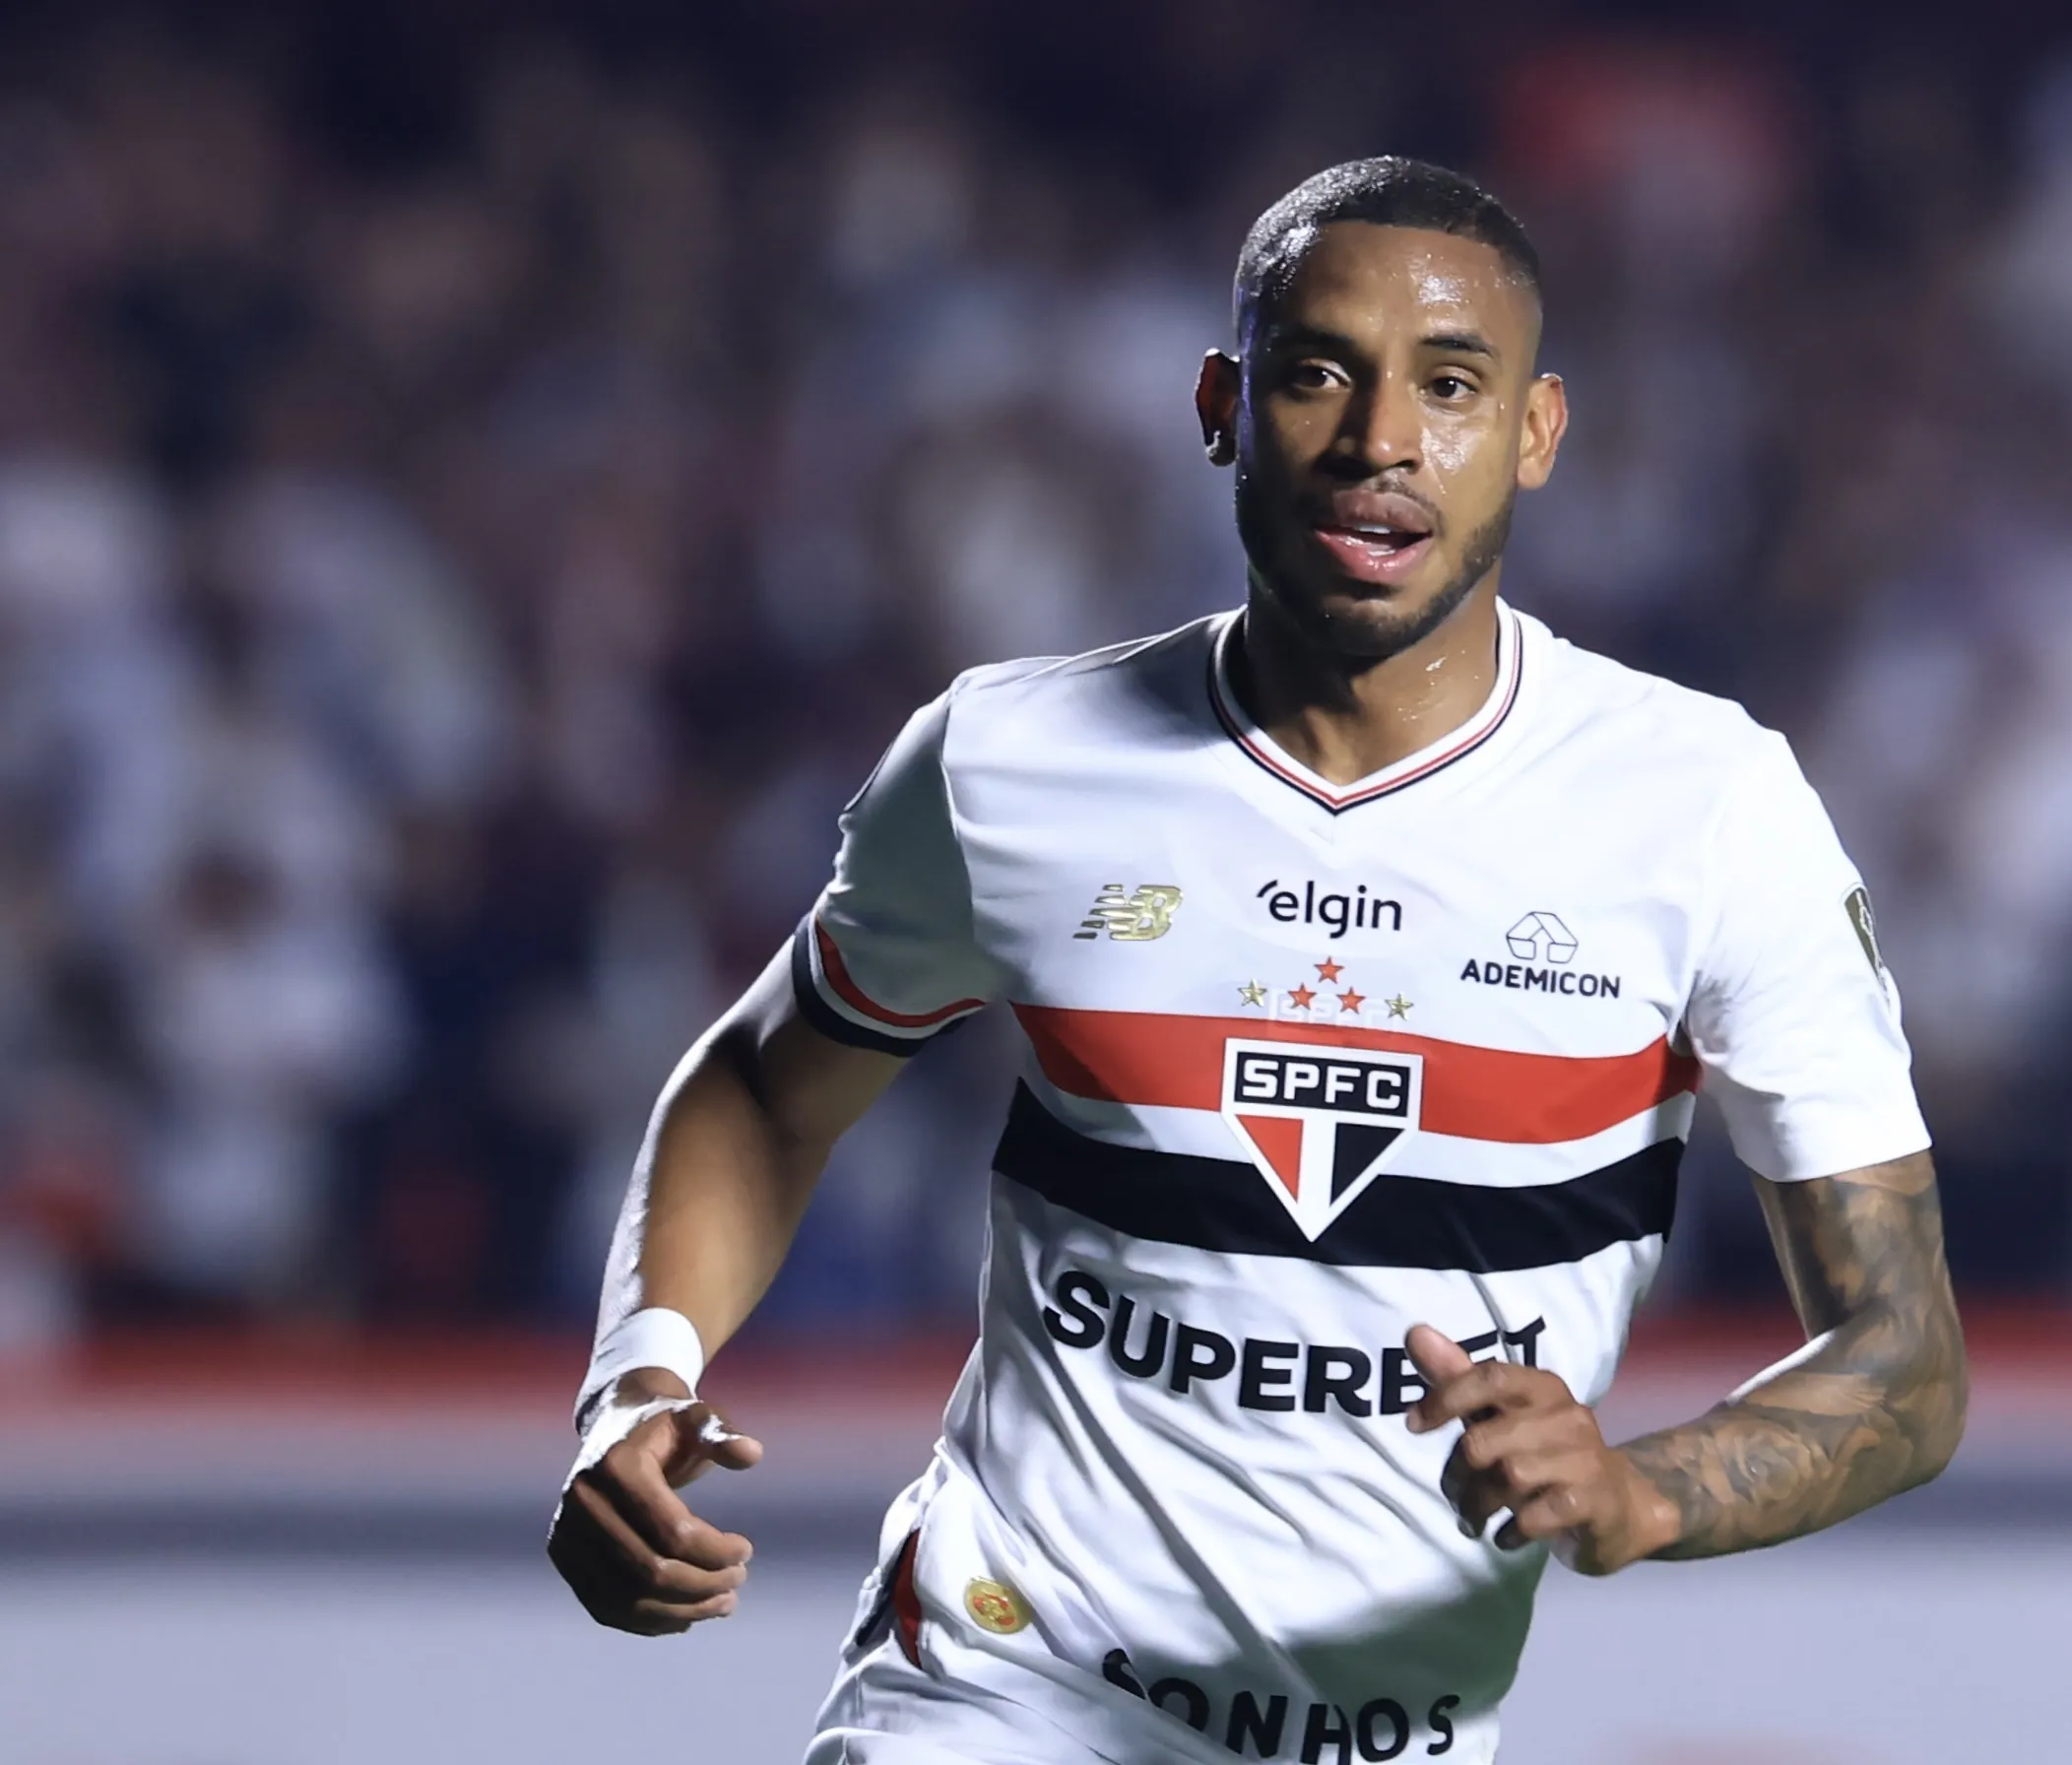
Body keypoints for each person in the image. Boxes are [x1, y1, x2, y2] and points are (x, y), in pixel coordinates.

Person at [548, 156, 1967, 1765]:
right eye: (1316, 374)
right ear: (1222, 404)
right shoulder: (1008, 761)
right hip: (997, 1690)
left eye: (1449, 386)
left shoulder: (1707, 811)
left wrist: (1646, 1489)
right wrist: (641, 1370)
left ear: (1537, 434)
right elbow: (765, 1085)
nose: (1379, 442)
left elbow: (1903, 1362)